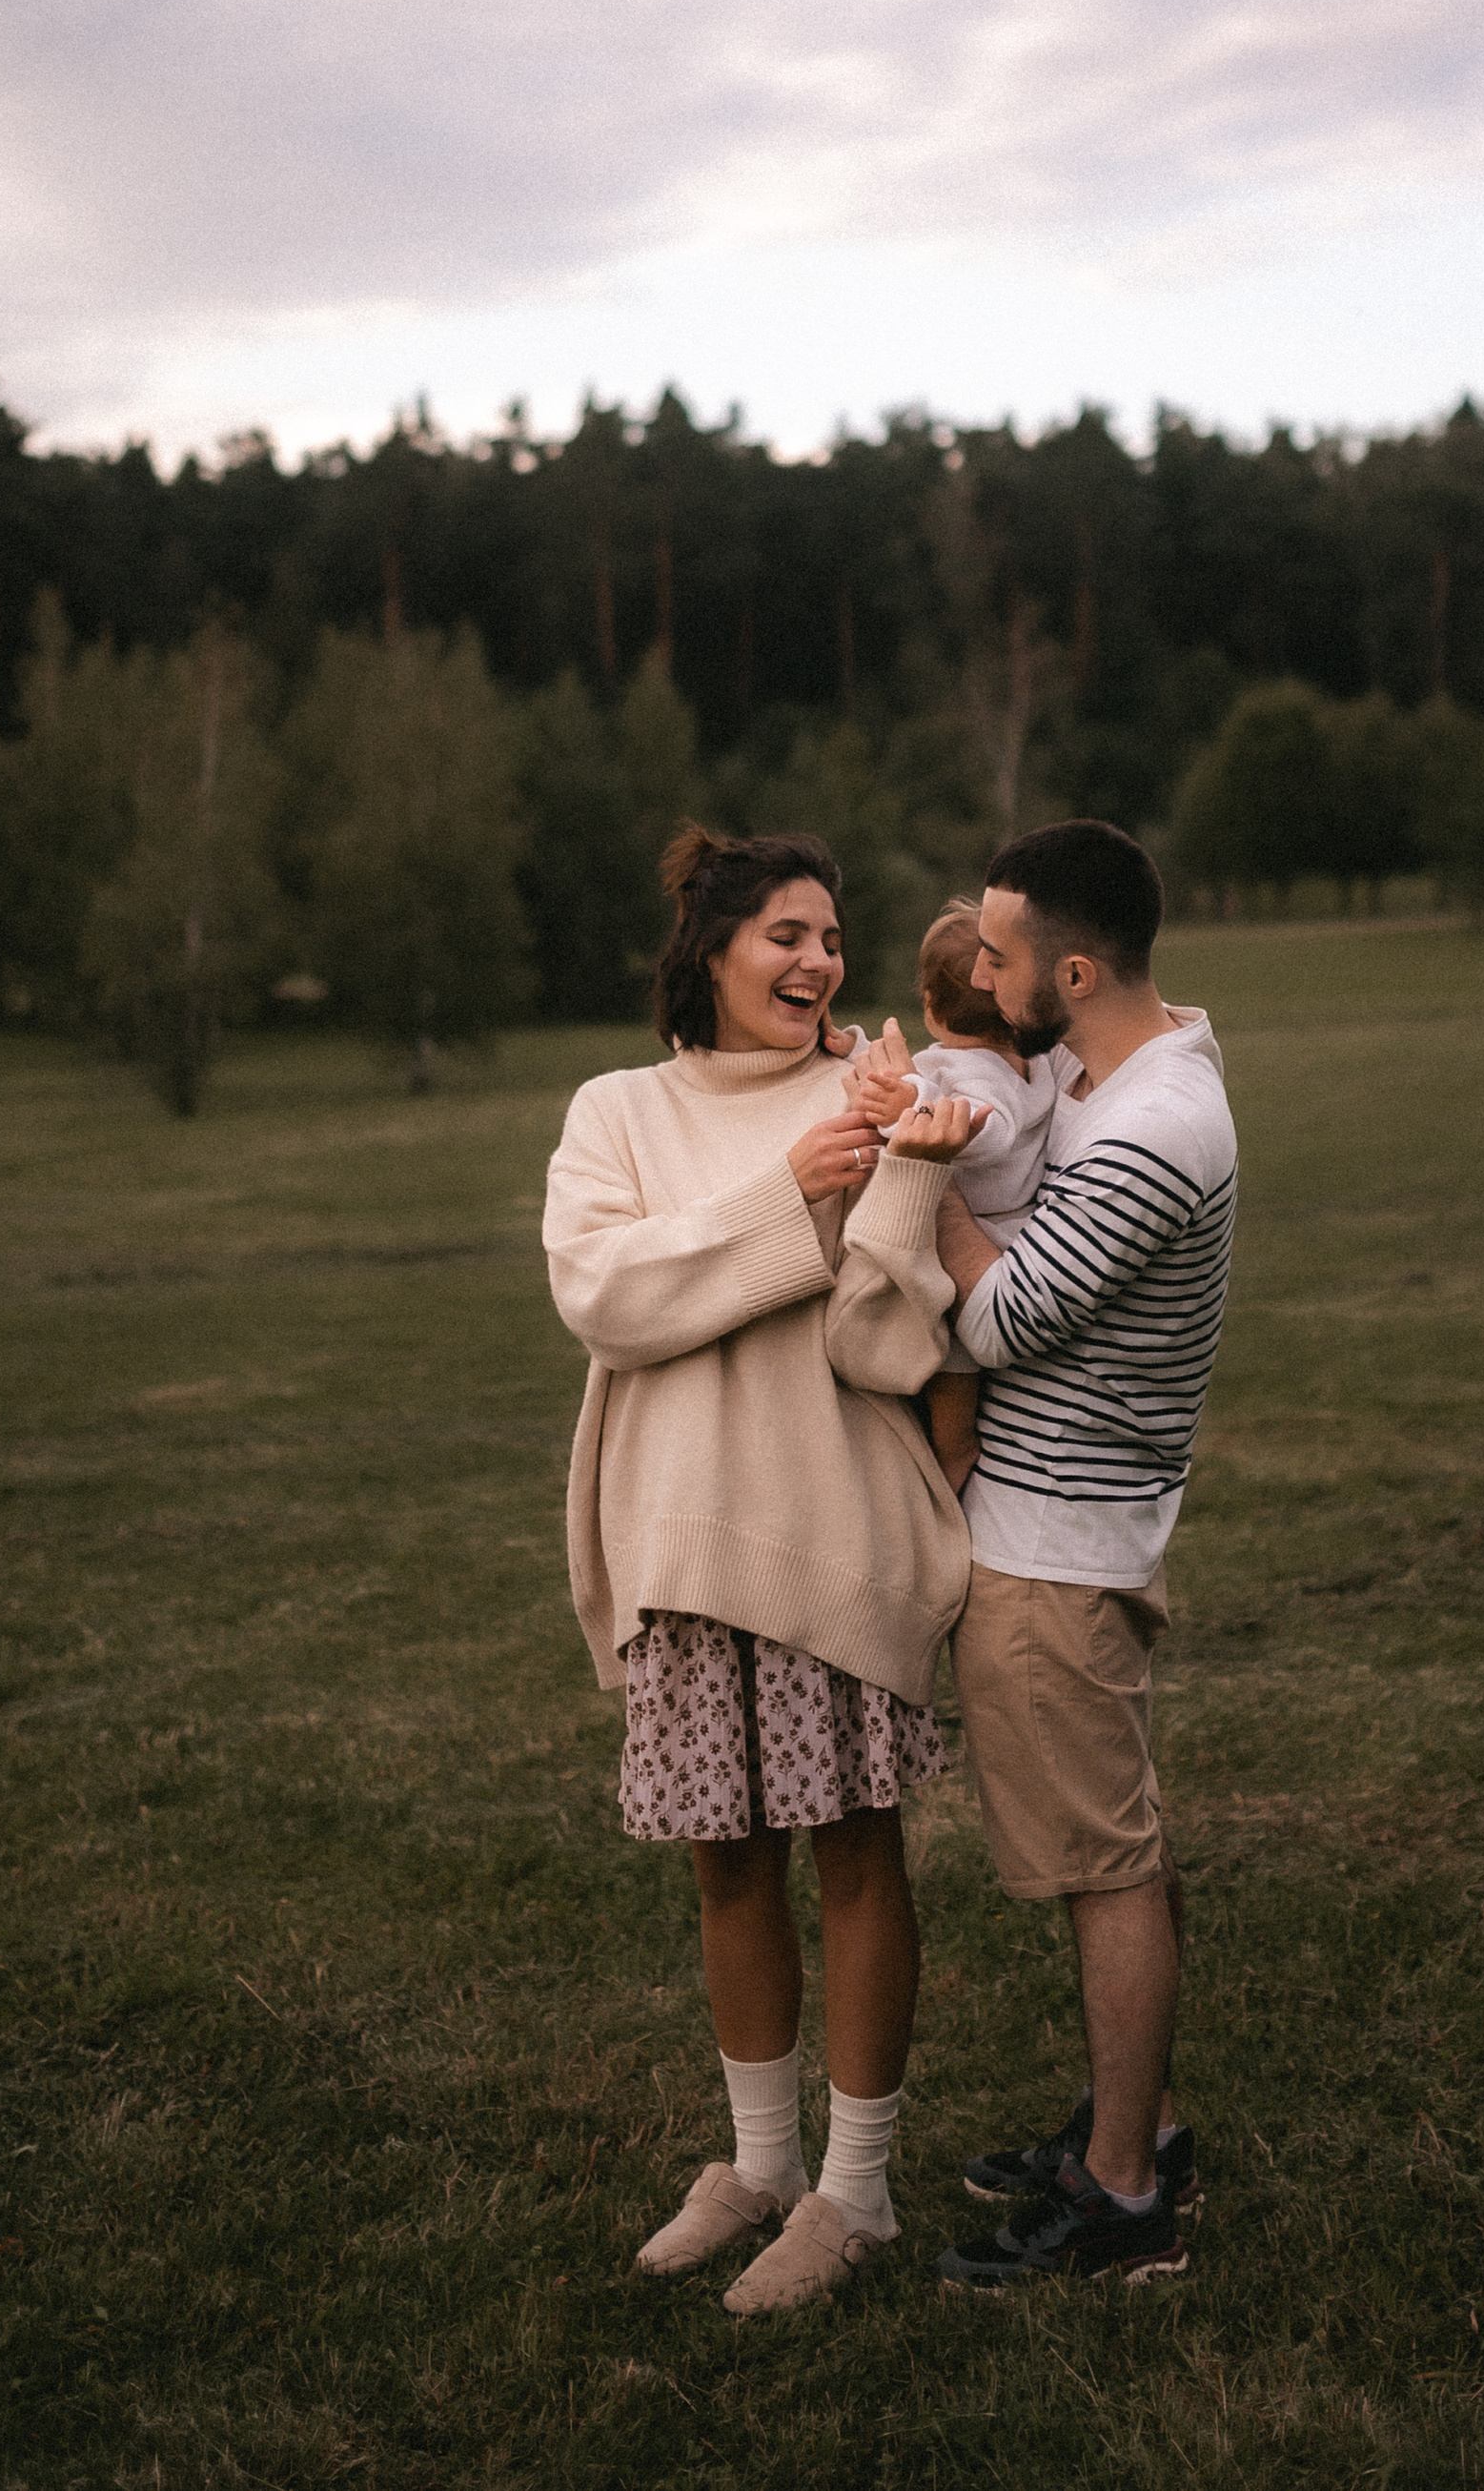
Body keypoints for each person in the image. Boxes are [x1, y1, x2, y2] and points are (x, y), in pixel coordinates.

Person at [544, 825, 984, 2318]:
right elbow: (607, 1295)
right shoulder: (619, 1110)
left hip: (829, 1530)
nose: (816, 962)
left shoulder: (874, 1097)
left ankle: (854, 2191)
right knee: (726, 1860)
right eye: (785, 934)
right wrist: (787, 1186)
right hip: (677, 1544)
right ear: (713, 952)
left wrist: (900, 1172)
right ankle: (760, 2166)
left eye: (829, 937)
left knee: (856, 1851)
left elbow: (888, 1337)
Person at [924, 819, 1238, 2293]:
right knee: (1119, 1843)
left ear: (1076, 965)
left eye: (996, 954)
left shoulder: (1152, 1127)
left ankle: (1122, 2198)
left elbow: (995, 1321)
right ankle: (1142, 2128)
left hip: (1055, 1542)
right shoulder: (1124, 1076)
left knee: (1106, 1866)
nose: (978, 976)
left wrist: (919, 1179)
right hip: (1075, 1520)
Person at [878, 898, 1067, 1496]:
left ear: (930, 1008)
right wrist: (849, 1047)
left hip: (984, 1241)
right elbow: (904, 1074)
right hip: (1009, 1229)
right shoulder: (1020, 1062)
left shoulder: (974, 1076)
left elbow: (989, 1127)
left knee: (954, 1358)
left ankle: (955, 1452)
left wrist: (933, 1117)